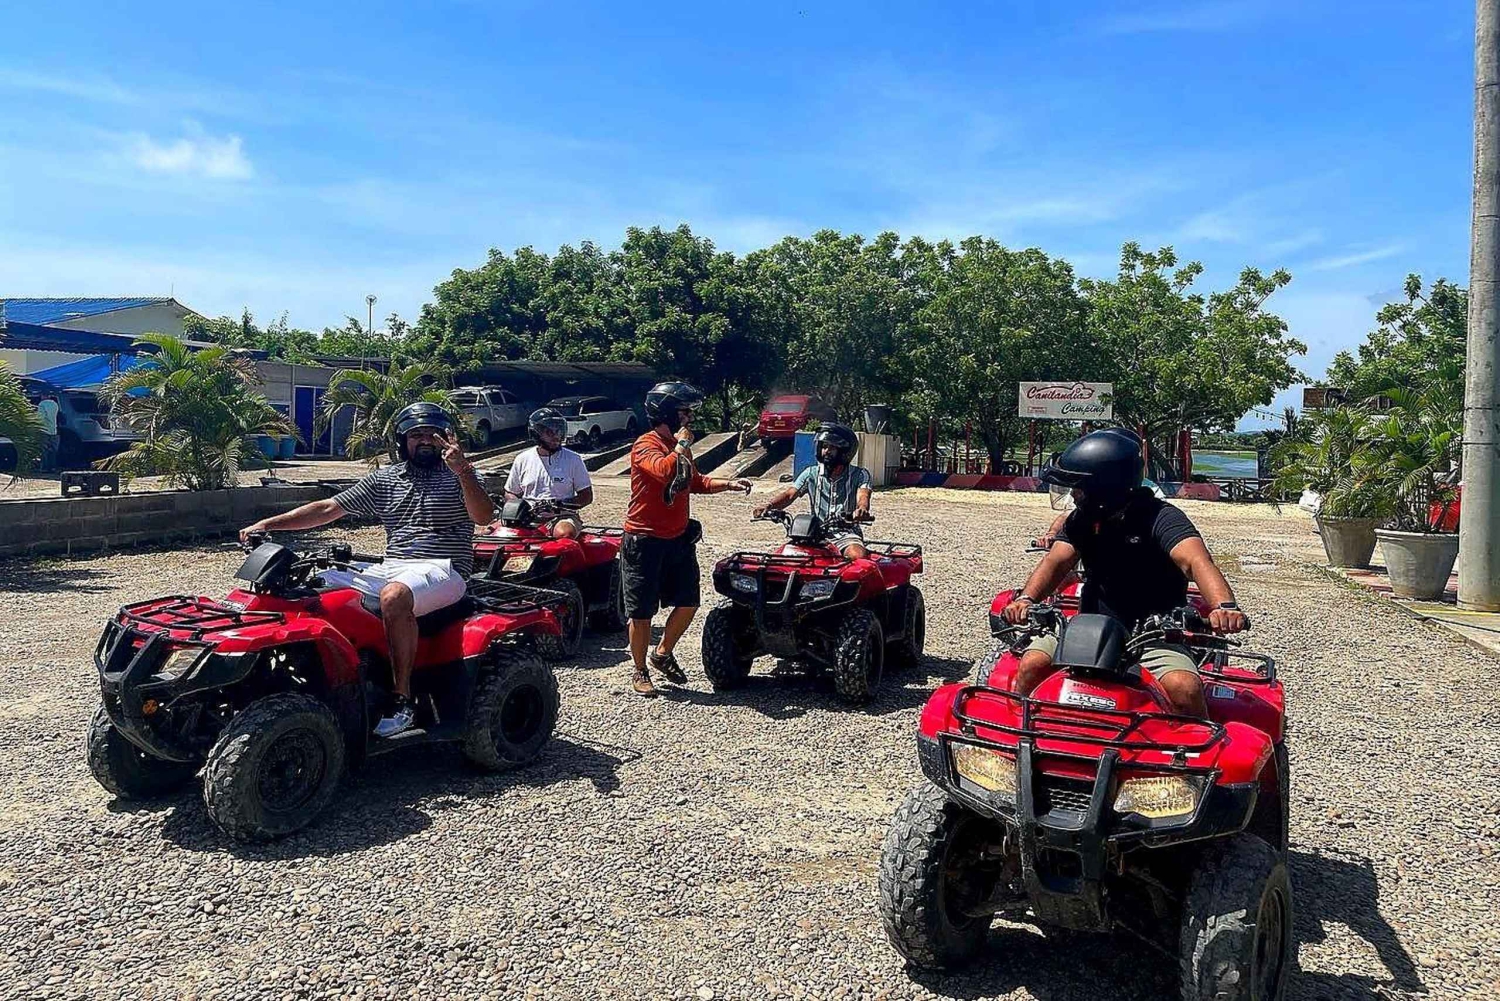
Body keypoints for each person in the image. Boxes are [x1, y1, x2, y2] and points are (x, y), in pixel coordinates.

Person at [238, 402, 494, 736]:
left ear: (447, 438)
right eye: (416, 435)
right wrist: (267, 524)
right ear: (403, 441)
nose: (425, 441)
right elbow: (328, 508)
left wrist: (463, 471)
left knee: (394, 596)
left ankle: (403, 702)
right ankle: (321, 677)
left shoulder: (460, 477)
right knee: (307, 584)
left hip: (446, 570)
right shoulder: (387, 479)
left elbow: (484, 517)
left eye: (432, 434)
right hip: (394, 566)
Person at [1001, 429, 1248, 717]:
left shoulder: (1161, 517)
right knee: (1031, 665)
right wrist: (1027, 599)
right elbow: (1056, 562)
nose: (1073, 496)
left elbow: (1196, 561)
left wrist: (1224, 607)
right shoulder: (1083, 519)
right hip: (1088, 627)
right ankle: (1017, 740)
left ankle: (1194, 756)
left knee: (1184, 688)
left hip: (1155, 631)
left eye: (1079, 489)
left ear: (1105, 488)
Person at [623, 381, 753, 696]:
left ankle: (663, 653)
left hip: (677, 538)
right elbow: (664, 472)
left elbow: (692, 481)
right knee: (641, 613)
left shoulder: (681, 447)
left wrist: (726, 484)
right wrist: (680, 445)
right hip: (644, 540)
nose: (689, 418)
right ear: (666, 413)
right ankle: (639, 671)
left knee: (689, 602)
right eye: (684, 412)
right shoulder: (646, 445)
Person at [752, 422, 873, 558]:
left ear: (845, 451)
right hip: (814, 534)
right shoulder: (810, 473)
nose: (826, 451)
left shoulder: (860, 475)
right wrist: (768, 506)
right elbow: (790, 494)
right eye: (824, 446)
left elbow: (863, 496)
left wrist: (861, 510)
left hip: (846, 533)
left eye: (832, 448)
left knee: (857, 557)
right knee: (783, 559)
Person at [501, 407, 593, 538]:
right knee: (492, 532)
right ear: (536, 433)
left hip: (561, 516)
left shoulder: (573, 459)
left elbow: (586, 496)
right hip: (527, 517)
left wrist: (560, 504)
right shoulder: (522, 459)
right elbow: (510, 492)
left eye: (559, 431)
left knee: (564, 533)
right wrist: (519, 506)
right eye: (550, 432)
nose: (556, 436)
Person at [36, 394, 60, 473]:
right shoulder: (55, 404)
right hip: (53, 430)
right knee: (53, 450)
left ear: (43, 396)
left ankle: (44, 468)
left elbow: (41, 417)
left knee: (44, 450)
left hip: (44, 430)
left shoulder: (42, 404)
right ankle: (53, 467)